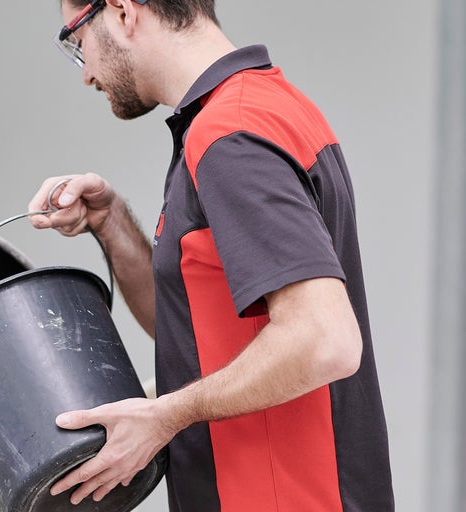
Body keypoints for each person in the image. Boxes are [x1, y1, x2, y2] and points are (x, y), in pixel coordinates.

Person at [28, 0, 395, 510]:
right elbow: (194, 335)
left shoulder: (230, 137)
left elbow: (323, 339)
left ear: (122, 12)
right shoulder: (264, 107)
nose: (86, 73)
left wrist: (163, 417)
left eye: (76, 39)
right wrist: (111, 222)